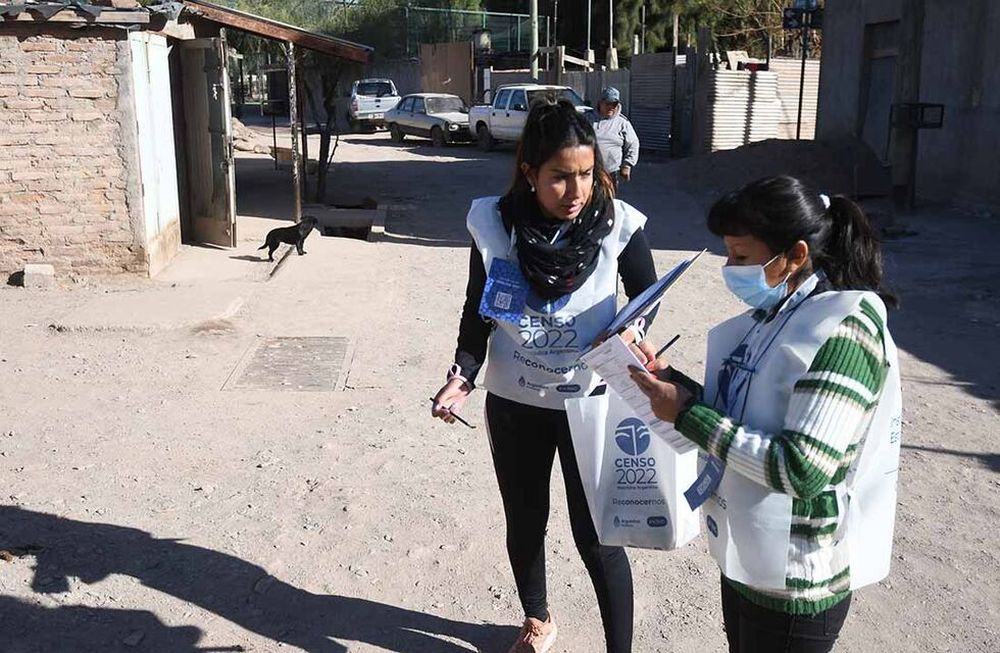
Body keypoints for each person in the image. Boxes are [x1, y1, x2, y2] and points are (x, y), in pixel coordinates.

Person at [629, 176, 902, 653]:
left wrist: (689, 414)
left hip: (798, 581)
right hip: (752, 559)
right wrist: (672, 380)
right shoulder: (778, 317)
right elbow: (744, 408)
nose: (729, 269)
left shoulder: (843, 331)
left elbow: (802, 469)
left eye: (740, 256)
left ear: (795, 256)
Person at [432, 99, 658, 653]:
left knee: (597, 536)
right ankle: (538, 619)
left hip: (590, 402)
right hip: (515, 400)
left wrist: (634, 329)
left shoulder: (618, 225)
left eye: (586, 174)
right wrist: (464, 371)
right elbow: (476, 305)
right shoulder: (492, 223)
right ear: (530, 173)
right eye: (560, 177)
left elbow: (647, 294)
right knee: (526, 521)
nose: (576, 190)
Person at [589, 87, 639, 191]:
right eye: (608, 104)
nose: (611, 107)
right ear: (600, 103)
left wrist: (627, 165)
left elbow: (633, 144)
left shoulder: (622, 123)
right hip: (589, 171)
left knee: (608, 204)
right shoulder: (588, 119)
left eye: (614, 104)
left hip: (611, 172)